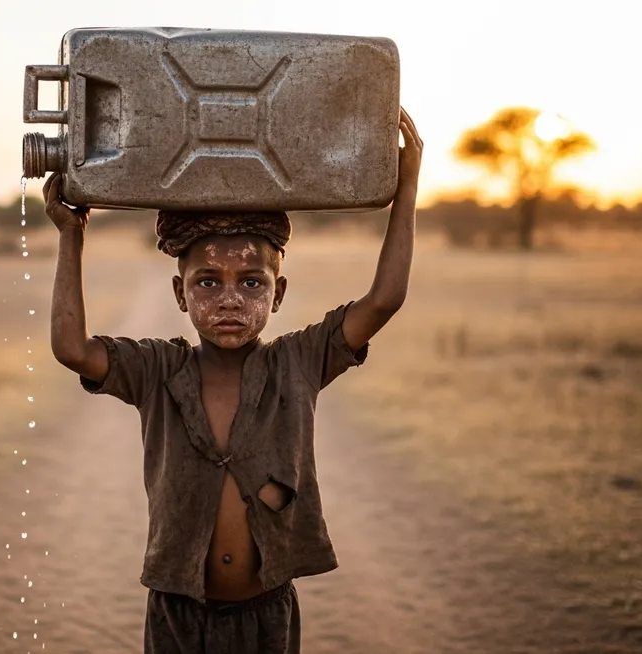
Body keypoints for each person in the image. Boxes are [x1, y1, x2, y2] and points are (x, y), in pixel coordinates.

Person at [45, 109, 423, 653]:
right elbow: (72, 349)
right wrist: (70, 235)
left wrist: (406, 184)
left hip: (265, 608)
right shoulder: (156, 371)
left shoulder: (299, 361)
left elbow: (384, 299)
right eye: (207, 282)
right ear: (180, 295)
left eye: (251, 282)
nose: (229, 299)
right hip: (178, 611)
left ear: (279, 293)